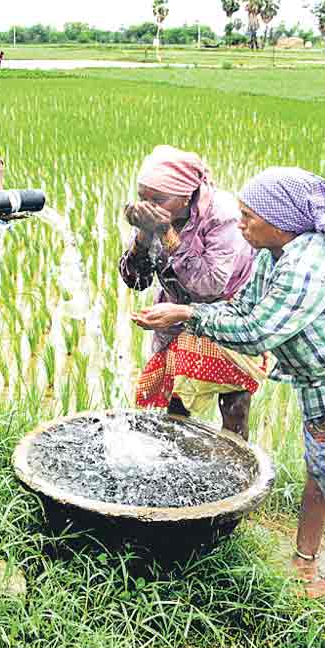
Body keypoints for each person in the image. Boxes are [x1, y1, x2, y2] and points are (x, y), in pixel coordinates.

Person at [130, 167, 325, 597]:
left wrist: (189, 315)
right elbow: (240, 311)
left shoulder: (310, 264)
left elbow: (259, 332)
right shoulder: (271, 257)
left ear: (284, 221)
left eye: (250, 216)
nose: (240, 224)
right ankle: (305, 560)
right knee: (321, 471)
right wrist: (184, 315)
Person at [119, 146, 268, 437]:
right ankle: (174, 462)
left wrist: (165, 233)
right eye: (143, 198)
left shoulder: (222, 216)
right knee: (176, 406)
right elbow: (136, 280)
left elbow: (210, 286)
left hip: (227, 318)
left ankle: (235, 469)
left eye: (159, 199)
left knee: (234, 405)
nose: (149, 205)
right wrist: (142, 235)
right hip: (174, 317)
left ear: (186, 195)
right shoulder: (153, 217)